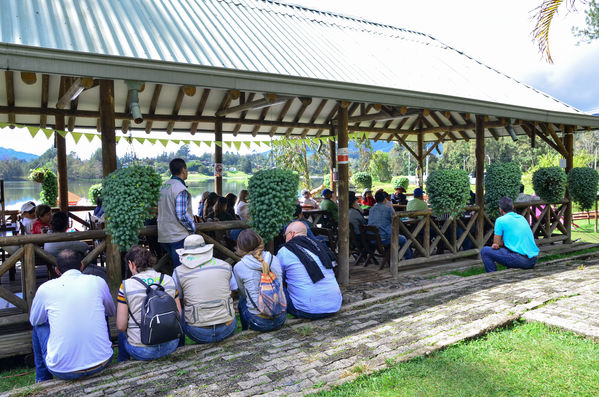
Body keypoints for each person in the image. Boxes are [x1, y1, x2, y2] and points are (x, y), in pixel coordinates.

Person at [29, 250, 115, 382]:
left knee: (38, 326)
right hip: (103, 361)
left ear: (57, 270)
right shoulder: (98, 282)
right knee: (103, 313)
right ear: (81, 266)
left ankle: (42, 378)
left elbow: (35, 320)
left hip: (62, 370)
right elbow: (111, 311)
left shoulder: (45, 289)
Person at [117, 246, 181, 361]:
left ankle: (122, 362)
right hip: (171, 346)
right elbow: (179, 314)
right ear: (151, 261)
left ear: (131, 264)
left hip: (142, 351)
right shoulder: (169, 280)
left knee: (121, 326)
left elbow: (121, 326)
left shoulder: (126, 286)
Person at [173, 235, 237, 343]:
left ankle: (180, 346)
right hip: (227, 328)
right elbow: (233, 290)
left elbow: (179, 298)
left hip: (198, 332)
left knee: (180, 309)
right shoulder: (225, 265)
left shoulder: (178, 272)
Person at [277, 222, 341, 319]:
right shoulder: (320, 246)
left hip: (306, 310)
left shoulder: (285, 251)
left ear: (292, 234)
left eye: (285, 235)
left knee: (275, 284)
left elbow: (278, 277)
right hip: (334, 306)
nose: (285, 239)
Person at [234, 229, 286, 332]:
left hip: (259, 322)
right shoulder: (274, 259)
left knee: (242, 300)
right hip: (281, 318)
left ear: (240, 247)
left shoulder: (239, 267)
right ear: (260, 241)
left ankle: (245, 330)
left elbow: (243, 293)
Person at [481, 197, 539, 273]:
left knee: (485, 251)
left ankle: (492, 275)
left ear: (500, 209)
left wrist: (498, 243)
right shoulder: (522, 218)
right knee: (509, 251)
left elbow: (496, 244)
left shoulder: (500, 220)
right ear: (513, 207)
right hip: (533, 259)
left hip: (522, 260)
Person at [157, 158, 195, 268]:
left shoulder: (163, 186)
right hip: (177, 235)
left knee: (173, 268)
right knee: (181, 270)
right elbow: (181, 214)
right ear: (183, 170)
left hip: (163, 234)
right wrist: (192, 228)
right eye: (186, 169)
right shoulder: (180, 189)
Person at [367, 191, 413, 259]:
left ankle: (398, 256)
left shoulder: (371, 209)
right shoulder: (388, 209)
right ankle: (409, 259)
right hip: (384, 238)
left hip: (372, 238)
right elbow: (397, 220)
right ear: (384, 199)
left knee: (398, 236)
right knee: (403, 239)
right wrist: (389, 205)